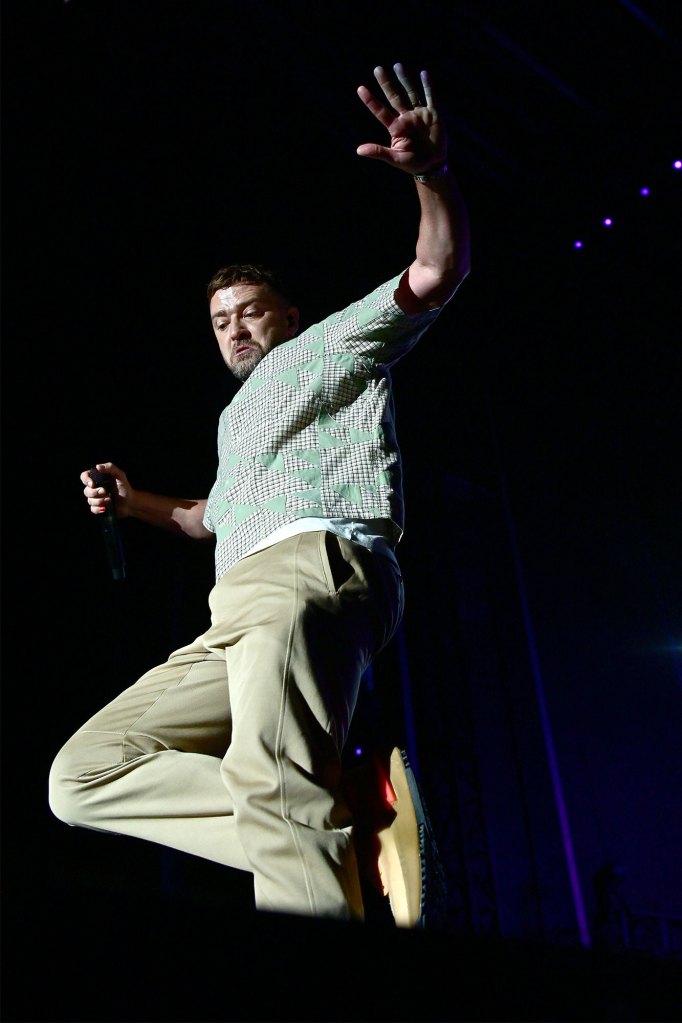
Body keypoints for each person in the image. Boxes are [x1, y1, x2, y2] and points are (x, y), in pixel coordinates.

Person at [49, 63, 471, 925]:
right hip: (233, 604)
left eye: (249, 309)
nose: (234, 327)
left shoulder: (332, 345)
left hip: (312, 568)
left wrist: (430, 175)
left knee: (276, 784)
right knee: (84, 775)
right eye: (219, 320)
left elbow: (437, 269)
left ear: (288, 313)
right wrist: (134, 504)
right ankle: (341, 830)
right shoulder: (236, 420)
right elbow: (211, 519)